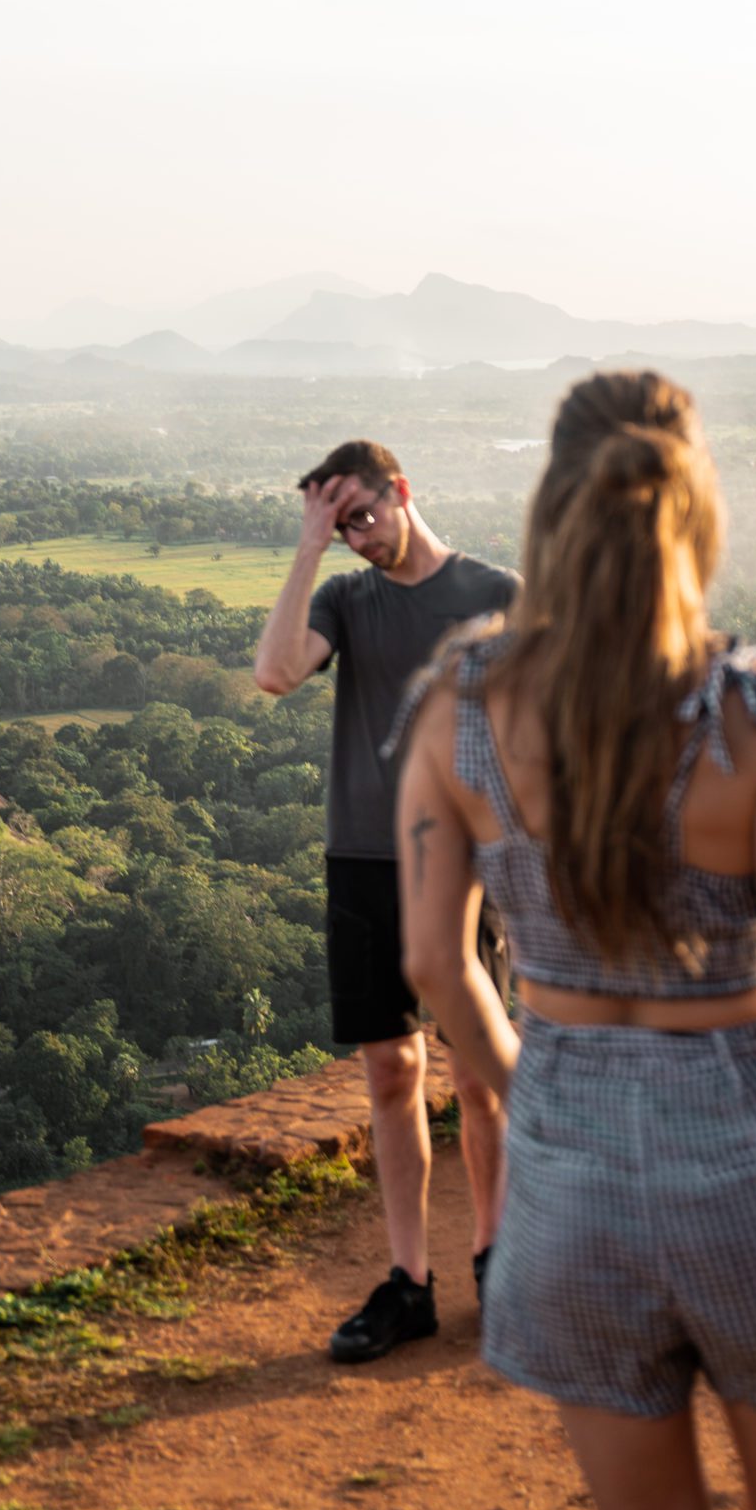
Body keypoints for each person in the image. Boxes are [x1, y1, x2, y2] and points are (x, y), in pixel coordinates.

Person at [394, 372, 756, 1510]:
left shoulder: (457, 707)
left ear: (550, 505)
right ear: (696, 506)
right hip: (748, 1145)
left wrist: (537, 1098)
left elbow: (436, 966)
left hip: (565, 1154)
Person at [253, 437, 518, 1363]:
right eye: (338, 525)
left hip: (468, 863)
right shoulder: (343, 598)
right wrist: (307, 549)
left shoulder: (495, 593)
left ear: (401, 491)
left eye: (361, 515)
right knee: (390, 1074)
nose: (356, 537)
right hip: (363, 855)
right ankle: (410, 1283)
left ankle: (500, 1261)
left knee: (480, 1077)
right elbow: (277, 673)